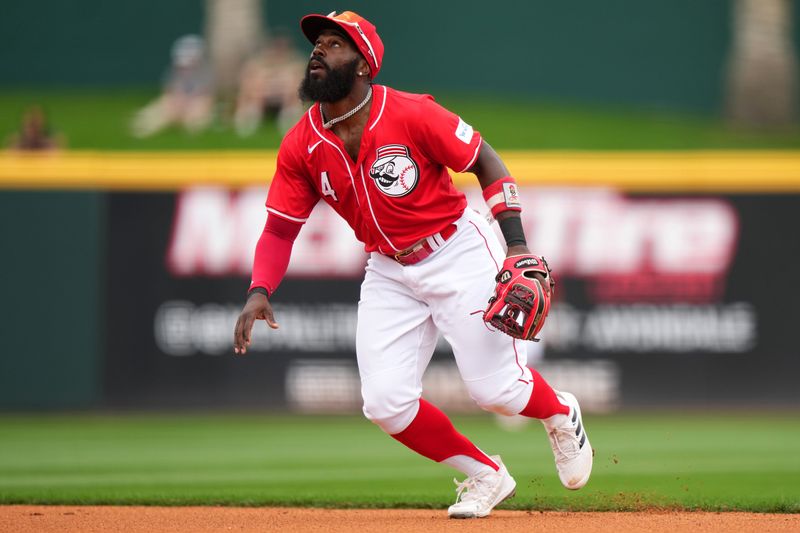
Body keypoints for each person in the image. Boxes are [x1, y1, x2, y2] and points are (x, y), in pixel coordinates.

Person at [233, 11, 593, 519]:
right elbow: (279, 229)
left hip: (456, 251)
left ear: (363, 64)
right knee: (384, 403)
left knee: (496, 391)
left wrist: (515, 246)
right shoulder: (301, 143)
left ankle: (560, 414)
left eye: (334, 44)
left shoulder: (411, 113)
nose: (318, 51)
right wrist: (259, 288)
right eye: (317, 44)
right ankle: (486, 475)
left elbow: (484, 160)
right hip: (388, 269)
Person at [130, 35, 214, 138]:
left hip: (195, 104)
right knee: (163, 107)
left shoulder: (207, 73)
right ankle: (145, 124)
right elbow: (170, 91)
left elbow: (205, 96)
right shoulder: (174, 70)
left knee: (196, 117)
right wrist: (177, 102)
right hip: (177, 103)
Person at [234, 32, 305, 136]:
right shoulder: (258, 64)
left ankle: (289, 125)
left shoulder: (295, 64)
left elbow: (299, 86)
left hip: (286, 100)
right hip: (260, 99)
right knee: (253, 90)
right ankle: (247, 126)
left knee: (293, 92)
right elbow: (247, 85)